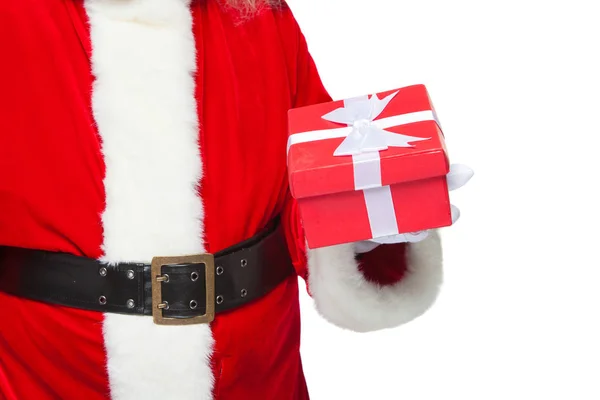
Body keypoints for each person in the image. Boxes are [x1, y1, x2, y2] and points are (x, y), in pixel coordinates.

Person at [0, 0, 470, 399]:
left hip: (256, 374)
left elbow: (305, 179)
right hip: (47, 375)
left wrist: (366, 224)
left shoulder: (257, 13)